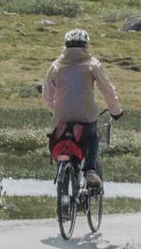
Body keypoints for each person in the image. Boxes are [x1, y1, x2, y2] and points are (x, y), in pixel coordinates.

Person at [38, 29, 120, 185]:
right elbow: (107, 90)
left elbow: (46, 95)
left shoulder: (55, 66)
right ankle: (89, 169)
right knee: (93, 135)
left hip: (61, 116)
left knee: (60, 138)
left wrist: (54, 111)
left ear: (65, 46)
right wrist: (116, 111)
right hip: (86, 115)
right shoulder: (93, 64)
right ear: (86, 45)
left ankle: (62, 168)